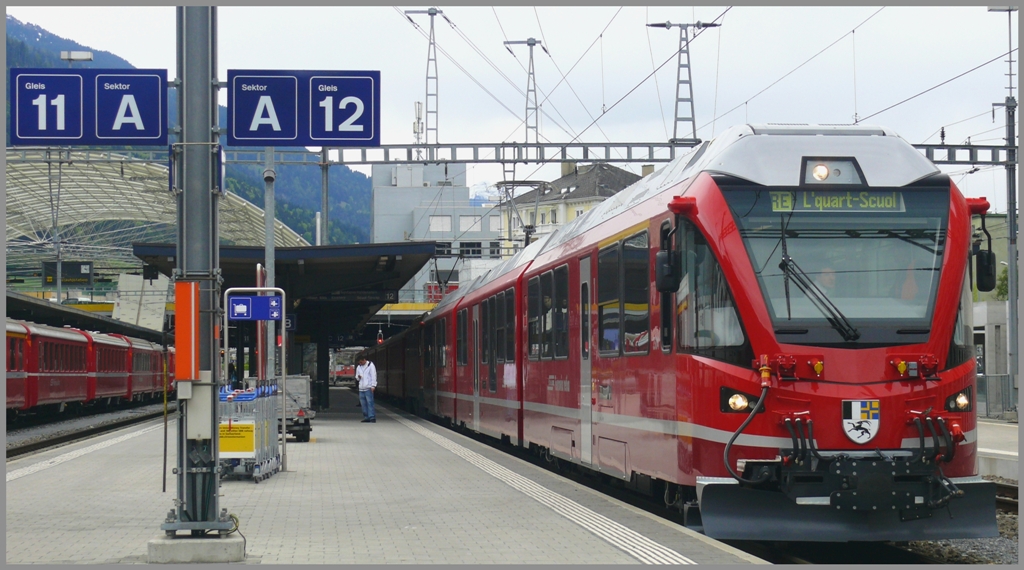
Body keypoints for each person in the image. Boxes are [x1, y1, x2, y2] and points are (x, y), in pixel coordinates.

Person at [355, 355, 377, 423]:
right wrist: (358, 377)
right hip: (361, 388)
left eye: (361, 362)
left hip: (368, 387)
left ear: (364, 360)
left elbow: (373, 375)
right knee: (363, 404)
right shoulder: (359, 367)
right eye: (359, 363)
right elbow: (356, 377)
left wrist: (373, 386)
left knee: (370, 403)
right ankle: (366, 417)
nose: (360, 363)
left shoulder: (370, 365)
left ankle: (372, 417)